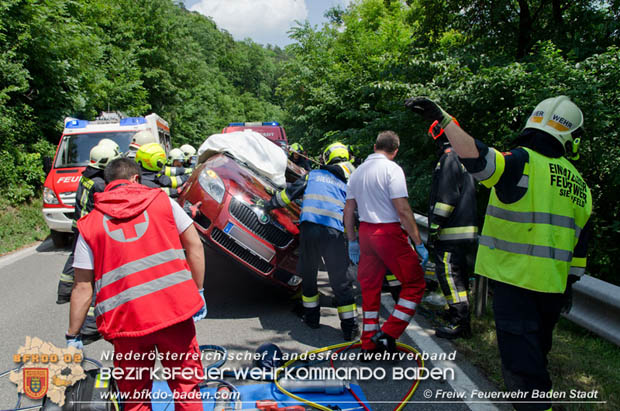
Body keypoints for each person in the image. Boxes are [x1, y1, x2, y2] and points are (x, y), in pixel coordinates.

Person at [406, 96, 592, 411]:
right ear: (571, 135)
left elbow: (478, 159)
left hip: (515, 283)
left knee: (522, 372)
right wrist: (569, 283)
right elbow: (581, 246)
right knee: (536, 357)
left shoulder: (523, 161)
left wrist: (445, 119)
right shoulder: (580, 185)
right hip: (553, 289)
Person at [67, 157, 207, 411]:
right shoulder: (163, 202)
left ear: (108, 183)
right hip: (174, 313)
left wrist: (73, 334)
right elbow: (194, 246)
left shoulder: (89, 225)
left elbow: (82, 286)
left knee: (135, 396)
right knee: (186, 387)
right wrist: (198, 290)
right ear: (136, 178)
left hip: (126, 323)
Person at [261, 142, 358, 340]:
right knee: (340, 280)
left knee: (309, 274)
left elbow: (287, 196)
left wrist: (267, 205)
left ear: (327, 158)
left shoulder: (312, 175)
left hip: (310, 229)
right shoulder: (346, 184)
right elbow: (354, 213)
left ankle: (312, 319)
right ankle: (349, 327)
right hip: (334, 233)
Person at [343, 131, 429, 354]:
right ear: (395, 150)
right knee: (415, 284)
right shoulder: (393, 170)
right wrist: (418, 242)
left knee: (370, 289)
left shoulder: (358, 172)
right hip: (388, 233)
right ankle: (389, 333)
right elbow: (402, 209)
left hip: (365, 233)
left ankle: (369, 344)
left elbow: (349, 210)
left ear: (374, 146)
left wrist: (352, 240)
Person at [56, 144, 120, 348]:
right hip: (93, 232)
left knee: (75, 266)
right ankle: (91, 327)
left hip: (80, 229)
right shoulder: (101, 184)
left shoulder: (86, 176)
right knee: (94, 279)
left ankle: (64, 291)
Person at [426, 120, 478, 339]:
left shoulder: (448, 158)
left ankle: (460, 322)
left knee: (448, 275)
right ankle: (455, 313)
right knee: (461, 278)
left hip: (451, 232)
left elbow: (446, 198)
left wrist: (435, 227)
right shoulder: (469, 161)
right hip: (469, 232)